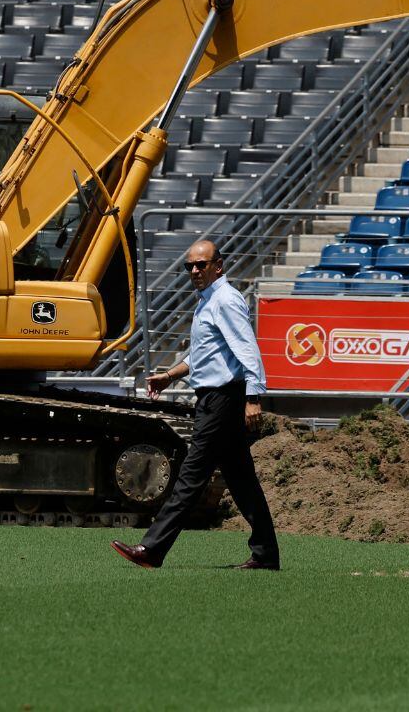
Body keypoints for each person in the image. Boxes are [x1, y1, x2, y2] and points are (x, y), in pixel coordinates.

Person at [111, 238, 280, 571]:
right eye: (190, 265)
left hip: (222, 401)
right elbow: (205, 354)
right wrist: (171, 376)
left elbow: (247, 350)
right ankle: (266, 553)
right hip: (217, 399)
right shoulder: (208, 301)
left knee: (191, 476)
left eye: (202, 264)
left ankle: (153, 548)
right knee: (243, 482)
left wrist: (253, 397)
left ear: (219, 265)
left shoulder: (225, 300)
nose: (195, 270)